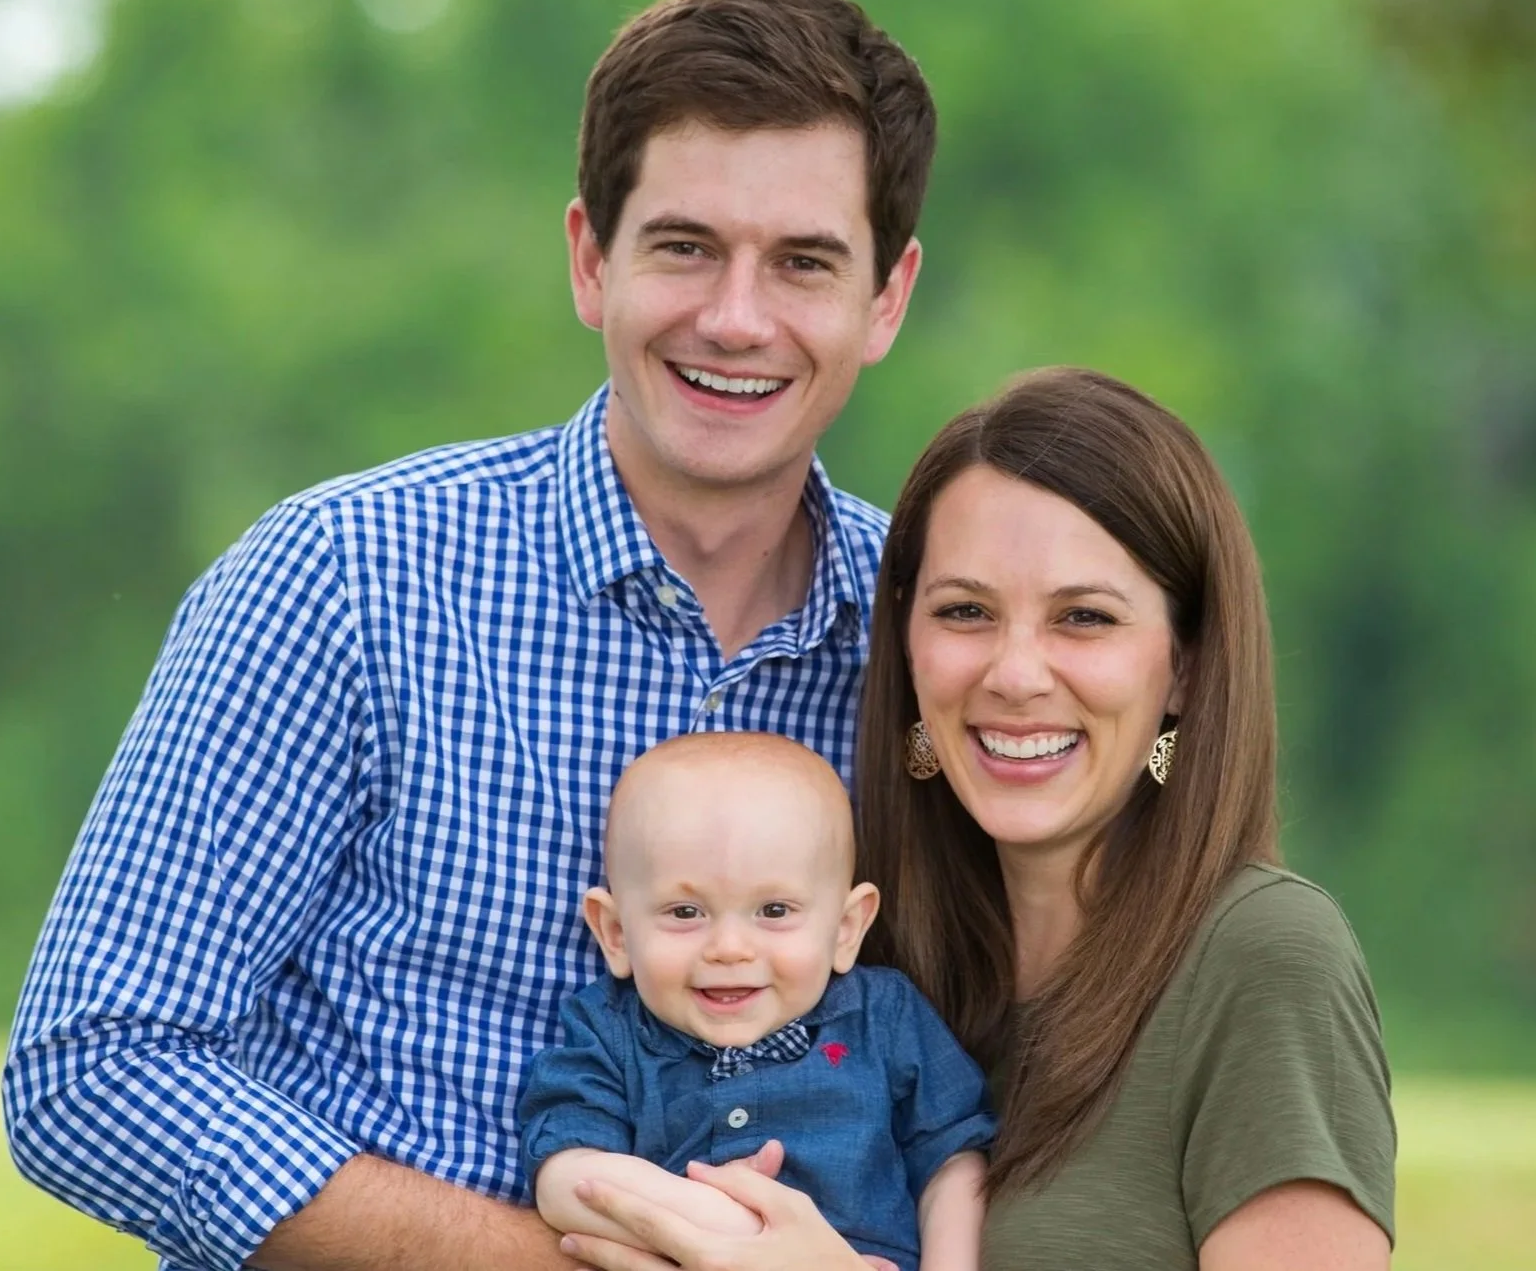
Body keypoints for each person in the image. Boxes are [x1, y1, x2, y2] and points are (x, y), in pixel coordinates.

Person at [2, 0, 933, 1271]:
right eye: (682, 246)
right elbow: (92, 1064)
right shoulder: (343, 578)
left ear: (885, 298)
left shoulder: (937, 646)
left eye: (803, 261)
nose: (735, 315)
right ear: (589, 259)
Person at [560, 368, 1397, 1271]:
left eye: (1083, 617)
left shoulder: (1264, 956)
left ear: (1184, 669)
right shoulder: (869, 967)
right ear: (906, 645)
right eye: (965, 611)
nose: (1015, 674)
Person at [519, 731, 991, 1271]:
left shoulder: (881, 1016)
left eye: (773, 911)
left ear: (845, 928)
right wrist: (740, 1234)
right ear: (617, 934)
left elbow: (954, 1156)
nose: (729, 949)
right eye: (684, 912)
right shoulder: (612, 1029)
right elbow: (565, 1177)